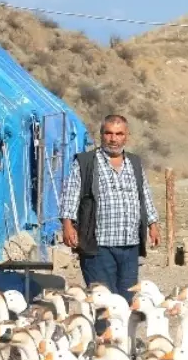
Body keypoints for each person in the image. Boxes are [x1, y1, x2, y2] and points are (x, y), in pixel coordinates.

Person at [60, 114, 160, 302]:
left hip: (129, 245)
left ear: (126, 136)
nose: (113, 139)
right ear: (101, 134)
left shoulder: (135, 163)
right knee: (103, 300)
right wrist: (67, 225)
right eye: (109, 133)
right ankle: (102, 332)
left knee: (126, 300)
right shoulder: (85, 162)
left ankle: (123, 332)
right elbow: (70, 194)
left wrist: (153, 224)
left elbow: (144, 194)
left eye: (119, 134)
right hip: (98, 246)